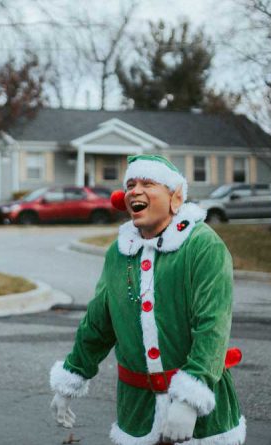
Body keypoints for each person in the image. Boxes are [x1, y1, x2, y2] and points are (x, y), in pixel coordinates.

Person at [49, 154, 245, 445]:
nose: (135, 191)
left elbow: (212, 325)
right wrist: (71, 378)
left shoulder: (203, 245)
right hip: (137, 410)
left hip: (202, 417)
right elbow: (98, 324)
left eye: (147, 183)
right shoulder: (119, 253)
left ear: (175, 197)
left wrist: (190, 398)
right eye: (130, 185)